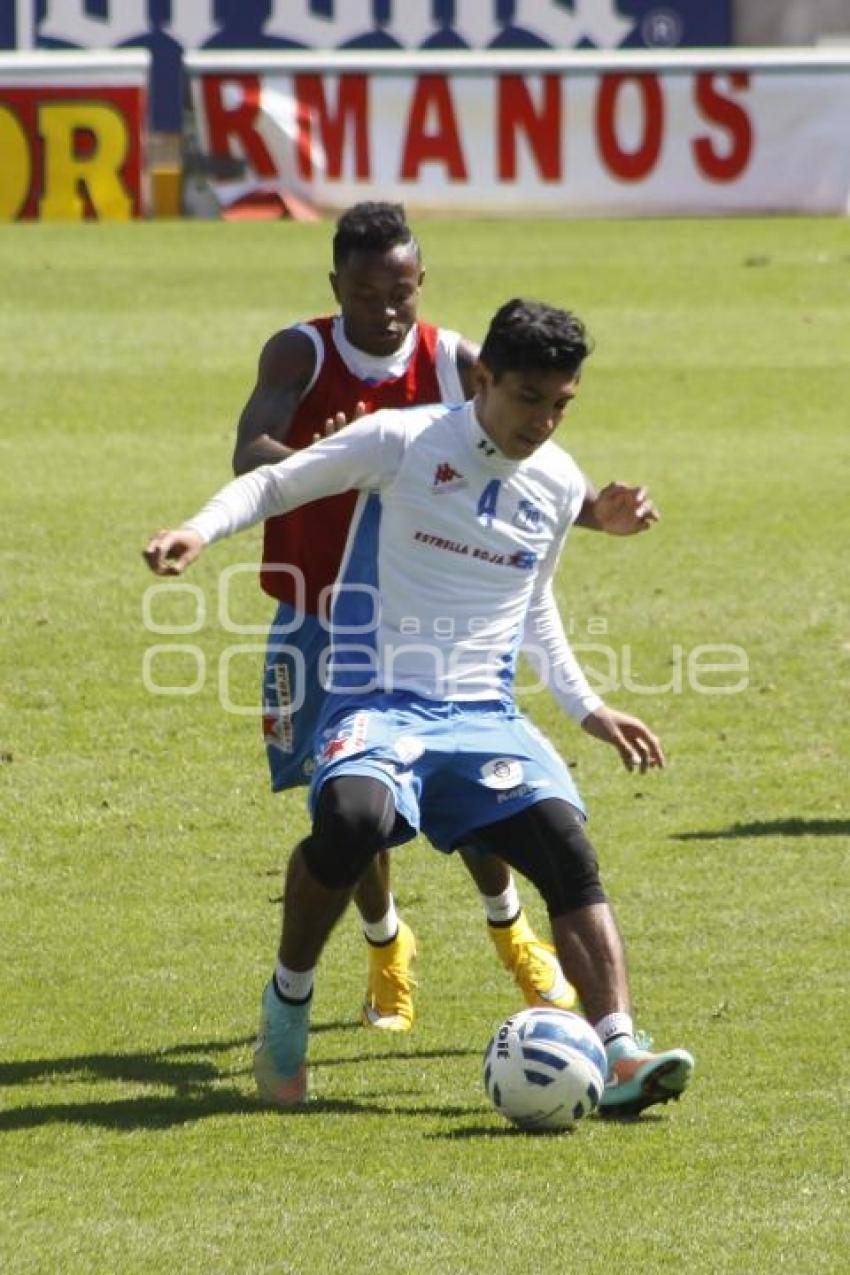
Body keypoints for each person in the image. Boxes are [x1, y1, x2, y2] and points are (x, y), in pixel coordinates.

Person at [144, 296, 695, 1118]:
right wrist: (197, 530)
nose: (542, 422)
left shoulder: (554, 480)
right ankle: (286, 1006)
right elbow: (273, 482)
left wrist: (587, 707)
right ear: (482, 377)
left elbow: (531, 603)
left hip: (483, 714)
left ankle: (619, 1050)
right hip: (377, 700)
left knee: (566, 848)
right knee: (355, 822)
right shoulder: (403, 440)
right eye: (527, 398)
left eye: (560, 404)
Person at [229, 200, 659, 1033]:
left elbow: (509, 466)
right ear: (336, 287)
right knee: (353, 808)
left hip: (421, 609)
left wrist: (595, 515)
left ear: (423, 282)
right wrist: (337, 459)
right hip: (316, 606)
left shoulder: (459, 359)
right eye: (365, 294)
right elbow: (250, 453)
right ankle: (386, 944)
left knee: (471, 775)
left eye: (401, 292)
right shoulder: (300, 349)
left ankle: (513, 931)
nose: (385, 310)